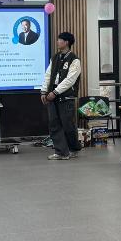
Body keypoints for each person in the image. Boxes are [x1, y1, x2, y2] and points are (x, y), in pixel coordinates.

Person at [41, 31, 82, 161]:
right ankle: (61, 152)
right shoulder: (55, 58)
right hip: (52, 96)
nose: (57, 42)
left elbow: (70, 80)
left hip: (66, 97)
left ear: (66, 42)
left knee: (68, 125)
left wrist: (55, 92)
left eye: (60, 40)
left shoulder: (74, 60)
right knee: (54, 124)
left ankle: (74, 148)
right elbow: (48, 75)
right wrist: (44, 91)